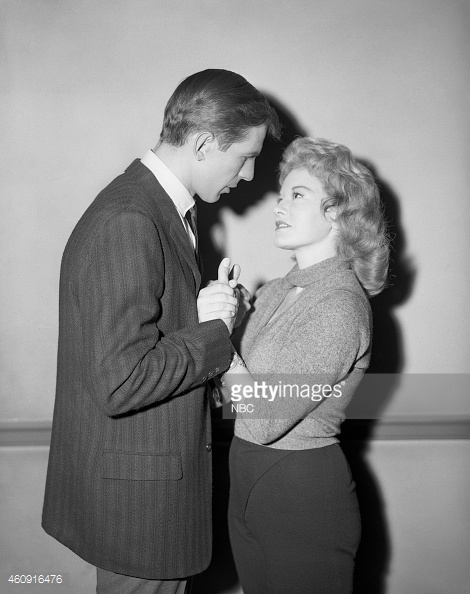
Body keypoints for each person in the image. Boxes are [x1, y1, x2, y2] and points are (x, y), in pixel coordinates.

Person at [42, 68, 280, 594]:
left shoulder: (155, 209)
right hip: (140, 510)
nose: (248, 175)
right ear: (203, 144)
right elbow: (122, 380)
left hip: (140, 497)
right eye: (245, 156)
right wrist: (215, 333)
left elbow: (137, 341)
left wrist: (196, 315)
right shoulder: (131, 218)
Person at [216, 136, 389, 593]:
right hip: (247, 480)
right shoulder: (274, 291)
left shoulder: (340, 305)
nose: (279, 206)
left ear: (338, 212)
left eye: (297, 195)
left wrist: (217, 339)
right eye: (281, 195)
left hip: (301, 494)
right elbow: (229, 399)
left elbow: (263, 417)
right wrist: (224, 322)